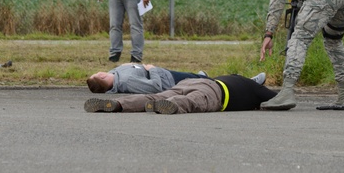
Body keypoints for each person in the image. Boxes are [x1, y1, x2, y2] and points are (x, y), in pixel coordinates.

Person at [84, 74, 276, 114]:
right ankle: (172, 105)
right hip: (215, 91)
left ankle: (119, 104)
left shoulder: (236, 77)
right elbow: (278, 99)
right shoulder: (255, 87)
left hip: (192, 81)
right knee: (193, 101)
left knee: (156, 96)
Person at [86, 63, 266, 95]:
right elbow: (155, 87)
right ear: (101, 76)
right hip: (168, 80)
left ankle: (200, 77)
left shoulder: (114, 75)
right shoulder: (126, 82)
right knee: (211, 83)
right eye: (98, 73)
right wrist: (152, 69)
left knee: (201, 78)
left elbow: (117, 70)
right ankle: (249, 83)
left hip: (168, 74)